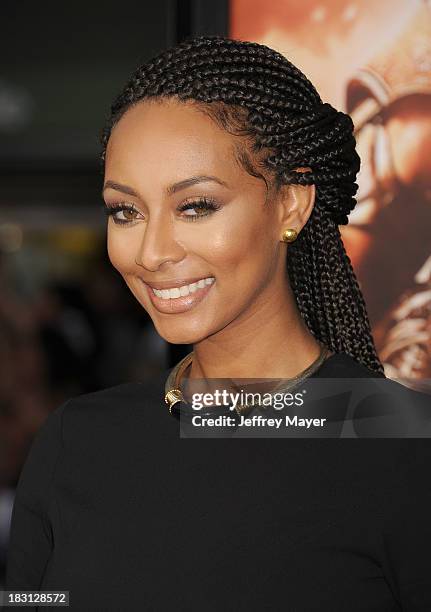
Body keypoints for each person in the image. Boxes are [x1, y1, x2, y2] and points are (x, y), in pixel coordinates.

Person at [5, 35, 431, 611]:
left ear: (291, 204)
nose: (151, 252)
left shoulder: (402, 447)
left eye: (196, 206)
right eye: (125, 211)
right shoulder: (77, 440)